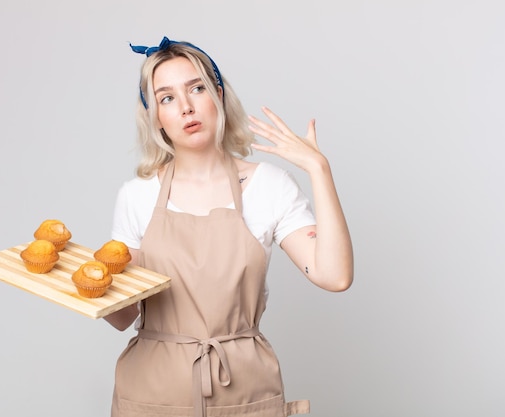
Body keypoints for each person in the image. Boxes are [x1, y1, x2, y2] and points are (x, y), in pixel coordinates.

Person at [104, 36, 353, 417]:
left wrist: (320, 170)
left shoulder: (268, 186)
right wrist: (95, 282)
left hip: (245, 391)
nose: (186, 107)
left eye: (197, 88)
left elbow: (334, 276)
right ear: (156, 116)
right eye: (167, 98)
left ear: (218, 95)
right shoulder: (137, 196)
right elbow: (122, 317)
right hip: (152, 395)